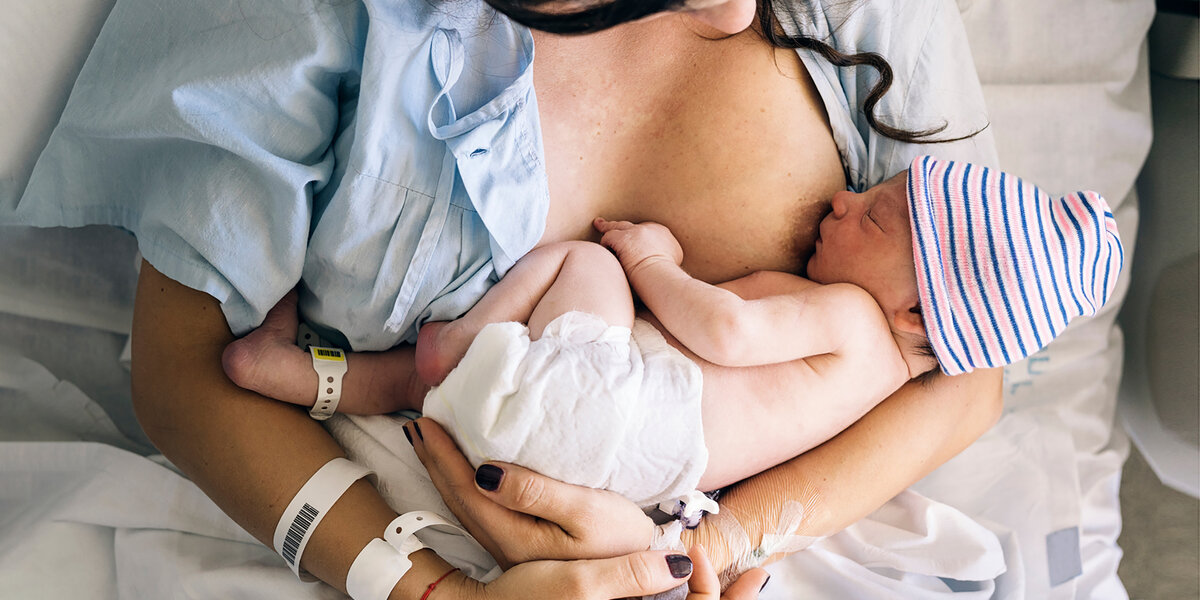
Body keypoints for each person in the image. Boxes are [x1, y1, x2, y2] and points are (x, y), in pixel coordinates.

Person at [4, 0, 1007, 596]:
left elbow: (969, 369)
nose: (734, 15)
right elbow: (183, 375)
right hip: (391, 534)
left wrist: (705, 549)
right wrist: (431, 594)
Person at [223, 155, 1122, 517]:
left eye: (877, 218)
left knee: (585, 266)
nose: (845, 199)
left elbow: (726, 330)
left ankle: (458, 339)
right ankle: (300, 375)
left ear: (918, 315)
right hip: (627, 479)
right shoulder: (882, 375)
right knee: (422, 391)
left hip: (622, 415)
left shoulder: (854, 322)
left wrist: (652, 263)